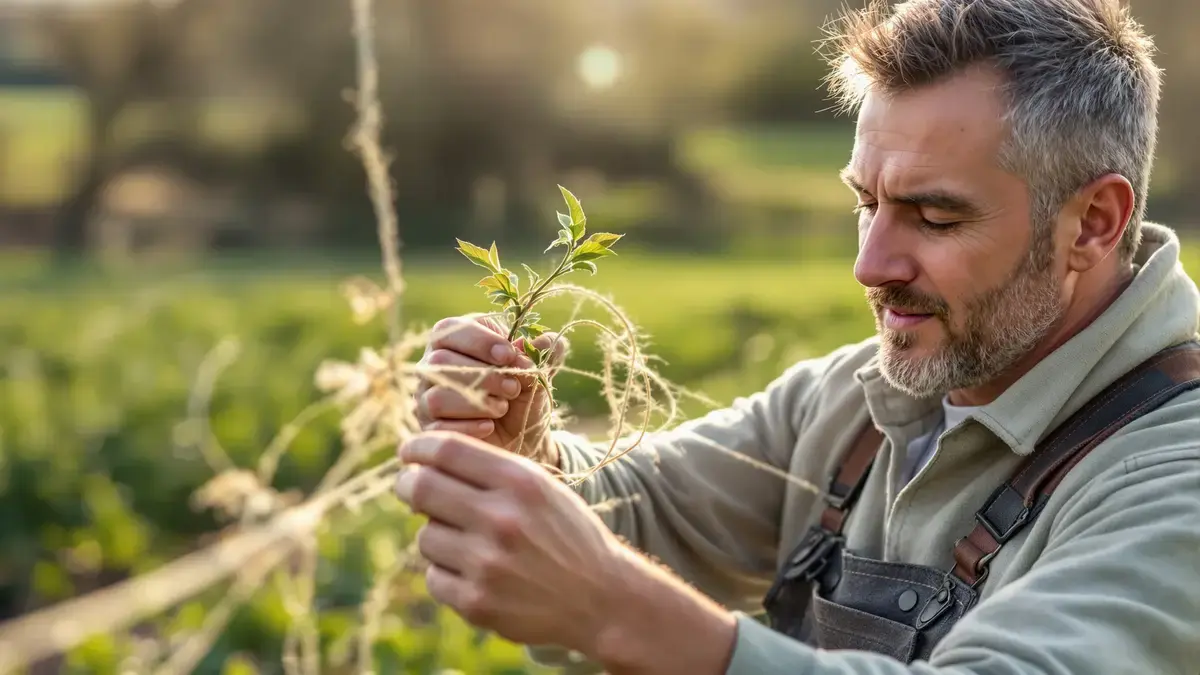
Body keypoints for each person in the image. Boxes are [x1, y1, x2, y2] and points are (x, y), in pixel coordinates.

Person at [394, 0, 1200, 673]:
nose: (870, 264)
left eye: (936, 216)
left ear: (1093, 222)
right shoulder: (854, 406)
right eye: (866, 204)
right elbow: (640, 517)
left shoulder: (1173, 478)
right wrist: (523, 452)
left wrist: (613, 605)